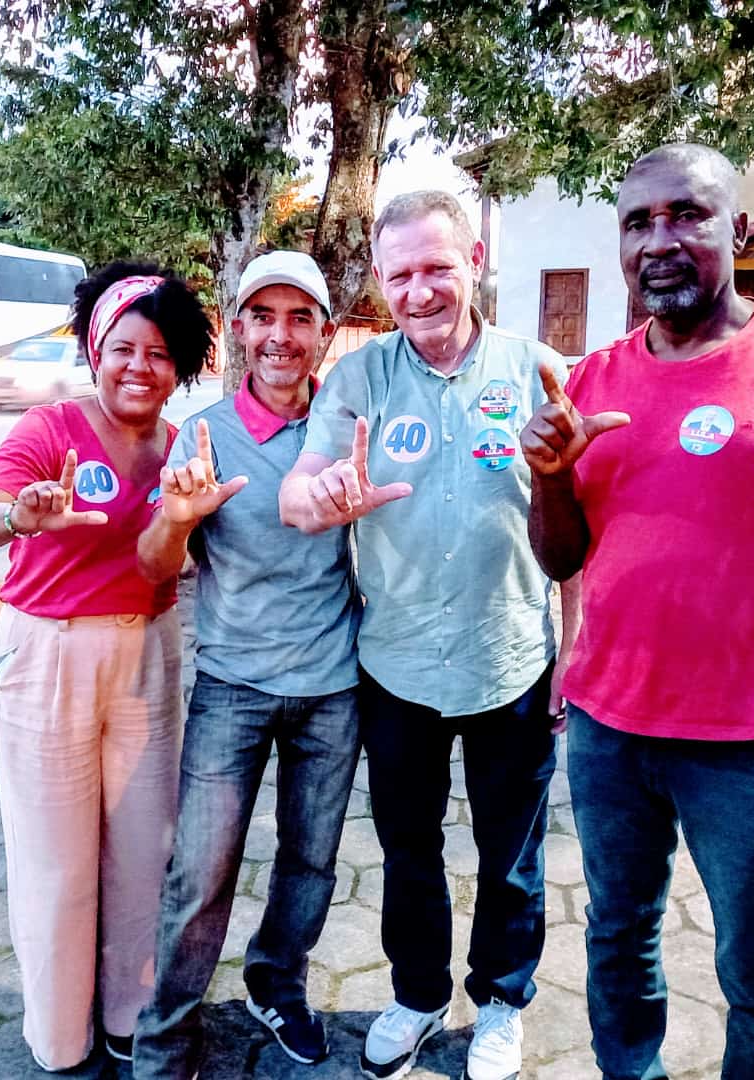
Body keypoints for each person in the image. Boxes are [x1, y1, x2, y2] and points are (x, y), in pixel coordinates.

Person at [519, 143, 754, 1080]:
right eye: (638, 222)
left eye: (686, 215)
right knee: (616, 941)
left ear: (736, 230)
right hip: (608, 731)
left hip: (751, 751)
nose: (660, 239)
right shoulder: (593, 380)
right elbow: (562, 557)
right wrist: (551, 477)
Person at [279, 191, 579, 1080]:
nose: (419, 291)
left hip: (513, 660)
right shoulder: (360, 379)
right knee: (410, 849)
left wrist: (578, 651)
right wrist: (322, 500)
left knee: (512, 856)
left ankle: (500, 1002)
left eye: (436, 268)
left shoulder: (539, 370)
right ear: (380, 279)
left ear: (475, 259)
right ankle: (416, 995)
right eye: (400, 273)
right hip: (397, 665)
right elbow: (298, 492)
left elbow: (584, 538)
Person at [0, 263, 213, 1072]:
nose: (141, 367)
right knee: (57, 858)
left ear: (181, 367)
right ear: (97, 349)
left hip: (149, 652)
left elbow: (183, 563)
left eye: (162, 353)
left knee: (144, 852)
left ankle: (130, 1018)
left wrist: (182, 521)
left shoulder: (181, 448)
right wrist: (17, 515)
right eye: (125, 348)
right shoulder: (50, 428)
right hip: (48, 656)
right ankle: (60, 1039)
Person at [132, 252, 361, 1080]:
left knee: (311, 862)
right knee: (200, 871)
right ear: (239, 330)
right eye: (263, 316)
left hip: (335, 689)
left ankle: (277, 981)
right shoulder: (203, 434)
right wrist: (177, 516)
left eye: (300, 318)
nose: (280, 335)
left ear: (324, 336)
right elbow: (158, 566)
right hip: (231, 688)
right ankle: (166, 1035)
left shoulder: (347, 422)